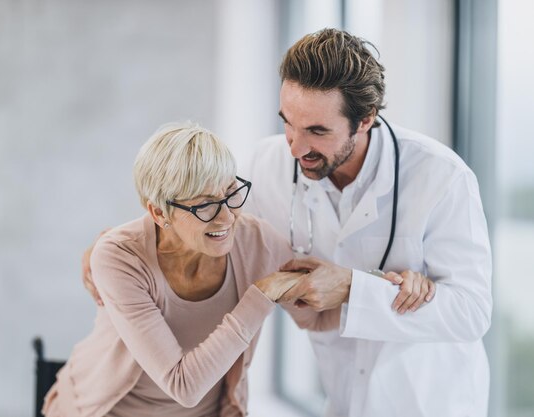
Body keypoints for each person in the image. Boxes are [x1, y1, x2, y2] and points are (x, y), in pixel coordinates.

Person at [82, 28, 492, 417]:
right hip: (341, 393)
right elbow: (204, 209)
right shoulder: (270, 162)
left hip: (427, 398)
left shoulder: (441, 177)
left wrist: (355, 286)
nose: (296, 146)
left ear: (365, 119)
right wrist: (121, 243)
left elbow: (473, 312)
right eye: (287, 123)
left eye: (316, 130)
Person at [46, 122, 421, 417]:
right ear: (159, 213)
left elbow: (318, 316)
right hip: (103, 411)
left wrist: (384, 287)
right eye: (206, 205)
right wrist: (261, 296)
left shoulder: (257, 242)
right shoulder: (119, 256)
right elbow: (184, 385)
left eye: (230, 193)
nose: (228, 217)